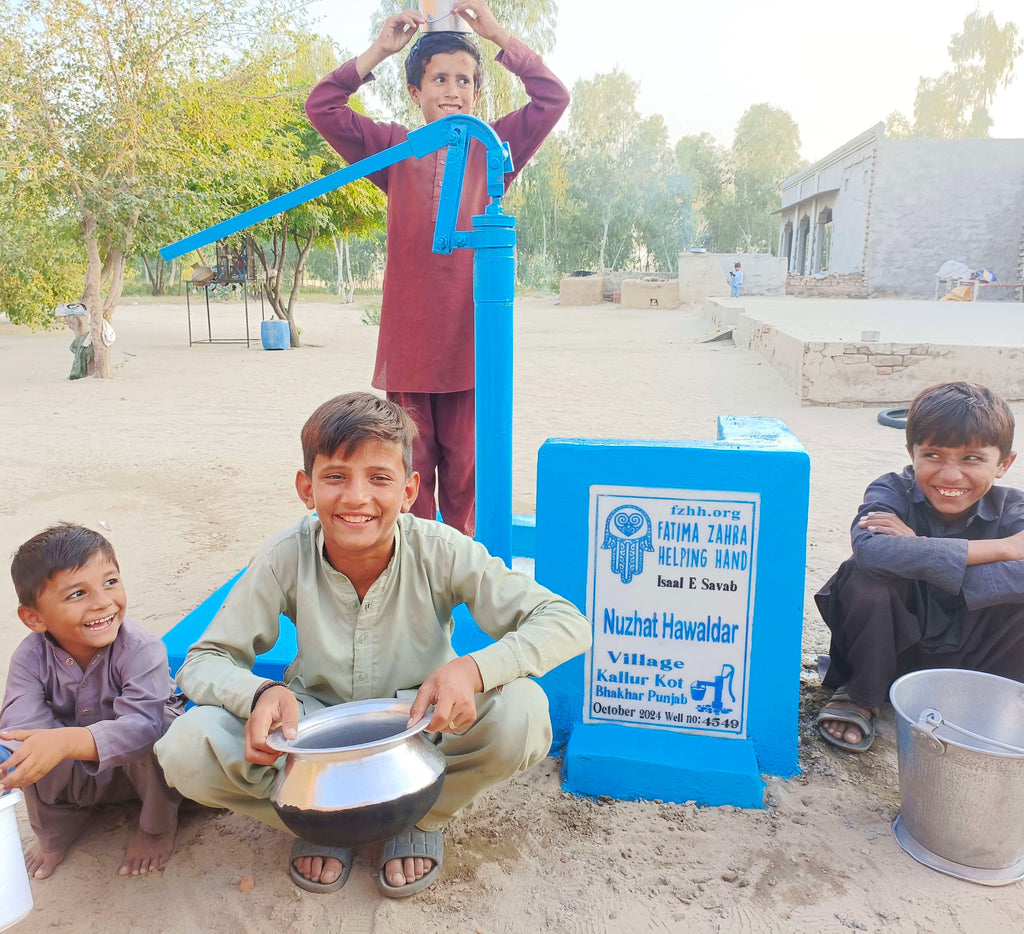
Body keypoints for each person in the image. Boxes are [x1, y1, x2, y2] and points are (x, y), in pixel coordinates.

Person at [154, 392, 591, 897]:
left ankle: (419, 819)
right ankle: (316, 821)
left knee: (524, 712)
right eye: (336, 476)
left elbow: (565, 621)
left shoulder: (442, 550)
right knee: (186, 746)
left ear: (408, 491)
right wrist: (257, 695)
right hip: (312, 732)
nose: (356, 498)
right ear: (306, 487)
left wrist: (473, 671)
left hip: (419, 726)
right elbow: (203, 662)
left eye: (379, 479)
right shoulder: (283, 556)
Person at [304, 0, 569, 538]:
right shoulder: (394, 149)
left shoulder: (495, 149)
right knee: (409, 478)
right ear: (415, 92)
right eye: (440, 79)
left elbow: (552, 97)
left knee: (468, 477)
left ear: (476, 92)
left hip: (472, 346)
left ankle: (466, 574)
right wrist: (380, 49)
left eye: (465, 81)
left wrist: (496, 34)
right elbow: (323, 106)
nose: (453, 90)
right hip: (409, 349)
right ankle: (418, 582)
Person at [814, 381, 1024, 752]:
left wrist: (917, 552)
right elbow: (873, 552)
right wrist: (1003, 549)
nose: (949, 475)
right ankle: (863, 695)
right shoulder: (891, 490)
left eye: (972, 459)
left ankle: (990, 705)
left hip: (976, 661)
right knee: (867, 579)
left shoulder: (1015, 509)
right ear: (911, 452)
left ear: (1004, 464)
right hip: (889, 654)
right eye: (933, 455)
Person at [0, 524, 184, 878]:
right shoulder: (28, 659)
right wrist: (16, 753)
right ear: (34, 617)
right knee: (27, 744)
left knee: (158, 727)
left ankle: (157, 825)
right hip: (81, 774)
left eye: (111, 582)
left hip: (140, 768)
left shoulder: (141, 650)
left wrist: (69, 740)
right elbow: (19, 728)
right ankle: (57, 830)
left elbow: (142, 728)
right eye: (76, 594)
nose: (103, 602)